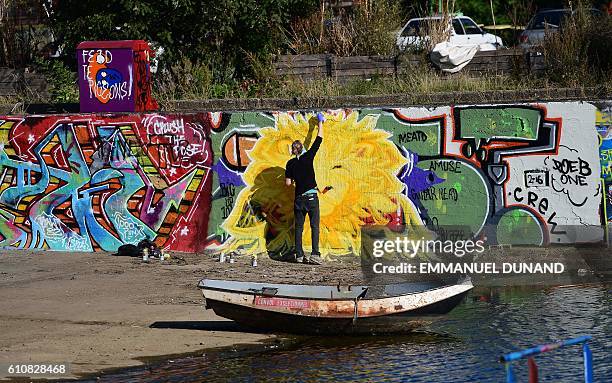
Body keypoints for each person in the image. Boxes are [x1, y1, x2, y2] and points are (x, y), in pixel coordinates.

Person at [285, 112, 325, 265]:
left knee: (299, 228)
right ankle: (315, 255)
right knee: (314, 226)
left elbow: (288, 183)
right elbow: (318, 140)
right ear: (302, 149)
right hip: (311, 198)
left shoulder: (290, 164)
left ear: (293, 151)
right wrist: (320, 123)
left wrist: (296, 180)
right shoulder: (308, 157)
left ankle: (299, 255)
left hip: (298, 200)